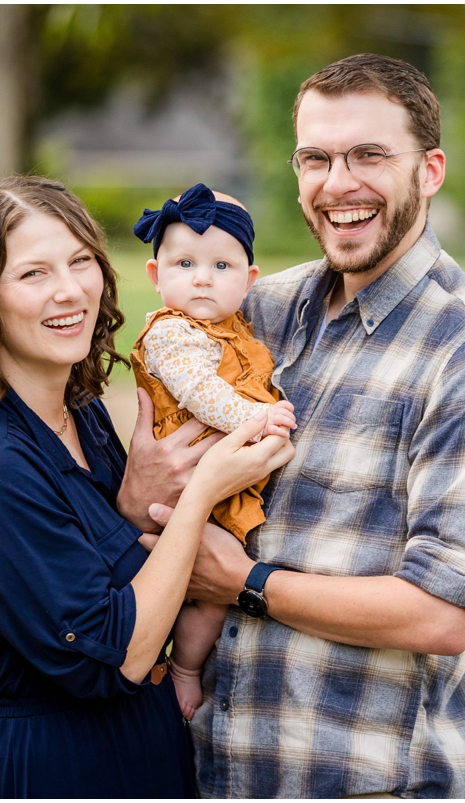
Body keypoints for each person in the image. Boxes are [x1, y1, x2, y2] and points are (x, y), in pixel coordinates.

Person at [130, 54, 465, 798]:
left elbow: (443, 613)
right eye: (316, 157)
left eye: (370, 155)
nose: (338, 182)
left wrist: (246, 582)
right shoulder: (257, 309)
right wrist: (145, 490)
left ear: (431, 170)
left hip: (354, 775)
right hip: (209, 763)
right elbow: (151, 457)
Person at [0, 175, 293, 798]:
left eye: (81, 261)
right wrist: (204, 490)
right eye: (33, 274)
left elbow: (101, 565)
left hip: (134, 748)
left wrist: (135, 506)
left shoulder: (79, 415)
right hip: (37, 767)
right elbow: (113, 653)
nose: (70, 291)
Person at [129, 182, 297, 719]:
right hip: (190, 490)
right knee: (198, 591)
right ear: (156, 277)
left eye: (222, 267)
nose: (202, 277)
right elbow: (200, 391)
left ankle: (185, 668)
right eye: (184, 263)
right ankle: (179, 670)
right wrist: (257, 418)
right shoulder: (170, 335)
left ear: (249, 282)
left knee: (213, 596)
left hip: (222, 483)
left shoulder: (235, 328)